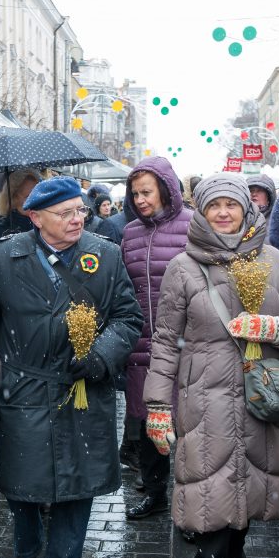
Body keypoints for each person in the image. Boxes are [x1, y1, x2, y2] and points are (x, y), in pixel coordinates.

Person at [143, 173, 279, 558]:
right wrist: (158, 404)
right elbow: (164, 340)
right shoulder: (184, 267)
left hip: (261, 391)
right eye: (214, 205)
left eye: (231, 205)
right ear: (202, 210)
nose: (223, 212)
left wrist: (273, 327)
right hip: (205, 394)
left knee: (250, 479)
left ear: (247, 210)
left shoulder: (274, 261)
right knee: (211, 485)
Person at [0, 176, 142, 558]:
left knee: (76, 483)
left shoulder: (105, 255)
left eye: (81, 211)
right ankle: (26, 551)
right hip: (21, 388)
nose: (76, 220)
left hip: (82, 388)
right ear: (34, 216)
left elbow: (128, 319)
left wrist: (101, 355)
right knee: (22, 483)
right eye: (65, 213)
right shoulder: (0, 258)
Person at [119, 157, 193, 522]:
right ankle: (155, 493)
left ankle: (192, 503)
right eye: (135, 193)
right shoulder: (130, 232)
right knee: (149, 425)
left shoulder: (193, 225)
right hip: (141, 345)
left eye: (146, 191)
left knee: (188, 425)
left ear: (166, 188)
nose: (141, 199)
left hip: (186, 344)